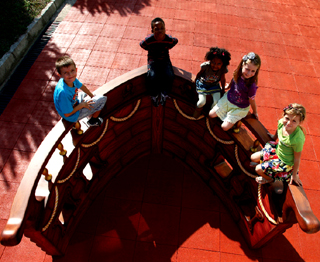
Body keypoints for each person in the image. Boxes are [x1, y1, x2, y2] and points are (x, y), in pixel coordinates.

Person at [250, 103, 306, 185]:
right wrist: (274, 137)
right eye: (287, 118)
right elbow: (278, 130)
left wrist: (294, 175)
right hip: (277, 150)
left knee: (258, 169)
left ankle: (270, 179)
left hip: (285, 161)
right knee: (253, 157)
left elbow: (297, 158)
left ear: (299, 122)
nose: (289, 123)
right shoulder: (281, 123)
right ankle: (268, 167)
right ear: (283, 115)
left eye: (294, 121)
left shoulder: (297, 139)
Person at [208, 52, 261, 131]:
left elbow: (252, 100)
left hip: (239, 107)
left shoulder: (251, 86)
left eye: (253, 71)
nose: (249, 73)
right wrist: (228, 86)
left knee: (224, 127)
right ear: (243, 64)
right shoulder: (238, 73)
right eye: (247, 69)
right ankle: (226, 114)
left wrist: (255, 112)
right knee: (211, 114)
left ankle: (232, 121)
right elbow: (234, 80)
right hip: (229, 99)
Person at [54, 56, 107, 126]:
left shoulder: (70, 80)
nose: (70, 75)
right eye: (66, 73)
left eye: (72, 71)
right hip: (72, 115)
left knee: (84, 94)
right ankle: (93, 120)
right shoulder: (63, 93)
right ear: (60, 75)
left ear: (76, 70)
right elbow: (67, 114)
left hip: (74, 103)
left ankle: (86, 108)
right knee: (102, 99)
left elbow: (82, 86)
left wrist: (92, 95)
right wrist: (82, 105)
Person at [140, 17, 178, 107]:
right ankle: (154, 94)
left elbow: (175, 41)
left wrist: (167, 48)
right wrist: (150, 50)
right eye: (156, 29)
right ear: (152, 30)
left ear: (165, 29)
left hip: (164, 59)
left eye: (162, 28)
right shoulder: (149, 39)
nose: (160, 31)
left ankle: (164, 93)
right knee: (152, 76)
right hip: (153, 59)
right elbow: (142, 44)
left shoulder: (168, 39)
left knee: (170, 75)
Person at [193, 47, 231, 118]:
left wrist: (222, 89)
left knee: (216, 102)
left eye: (218, 64)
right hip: (203, 85)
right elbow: (199, 74)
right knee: (201, 102)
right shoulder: (205, 66)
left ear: (223, 64)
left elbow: (223, 79)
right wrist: (195, 82)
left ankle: (209, 115)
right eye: (213, 62)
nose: (215, 65)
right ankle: (196, 112)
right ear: (210, 60)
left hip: (214, 86)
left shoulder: (223, 69)